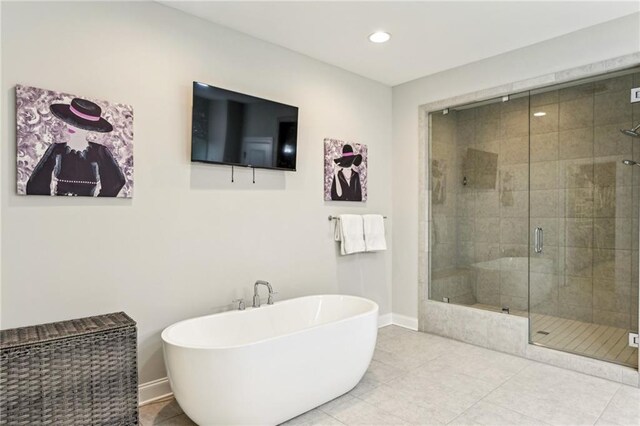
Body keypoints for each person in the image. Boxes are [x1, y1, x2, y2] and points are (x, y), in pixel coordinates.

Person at [26, 98, 126, 197]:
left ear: (90, 128)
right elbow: (35, 184)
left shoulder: (100, 151)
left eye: (79, 125)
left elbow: (116, 182)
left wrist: (98, 201)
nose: (71, 126)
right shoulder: (56, 149)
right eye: (71, 122)